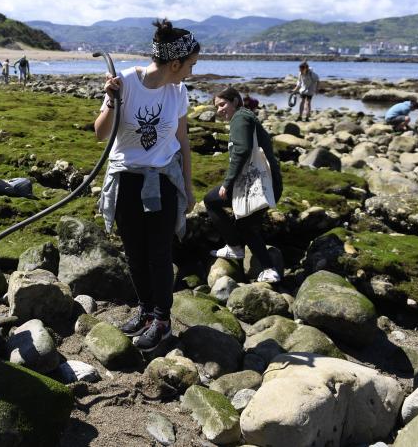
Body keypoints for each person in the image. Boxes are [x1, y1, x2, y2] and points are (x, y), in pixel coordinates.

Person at [96, 19, 198, 351]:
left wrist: (189, 185)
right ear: (174, 63)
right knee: (135, 254)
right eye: (190, 66)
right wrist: (111, 100)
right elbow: (100, 133)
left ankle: (162, 320)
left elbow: (182, 140)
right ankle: (144, 311)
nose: (191, 73)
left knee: (159, 252)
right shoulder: (124, 82)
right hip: (126, 178)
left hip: (164, 180)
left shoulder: (178, 91)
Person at [205, 87, 283, 283]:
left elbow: (242, 151)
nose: (220, 109)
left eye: (223, 104)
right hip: (267, 183)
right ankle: (240, 250)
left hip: (257, 184)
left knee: (212, 201)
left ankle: (264, 265)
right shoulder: (247, 117)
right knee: (246, 223)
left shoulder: (240, 118)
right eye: (217, 107)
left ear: (235, 101)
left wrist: (227, 182)